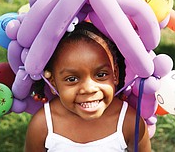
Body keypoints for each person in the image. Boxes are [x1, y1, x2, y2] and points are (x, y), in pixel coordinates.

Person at [24, 21, 151, 152]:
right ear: (53, 82)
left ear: (115, 74)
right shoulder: (42, 125)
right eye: (72, 79)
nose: (89, 89)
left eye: (101, 75)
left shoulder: (130, 123)